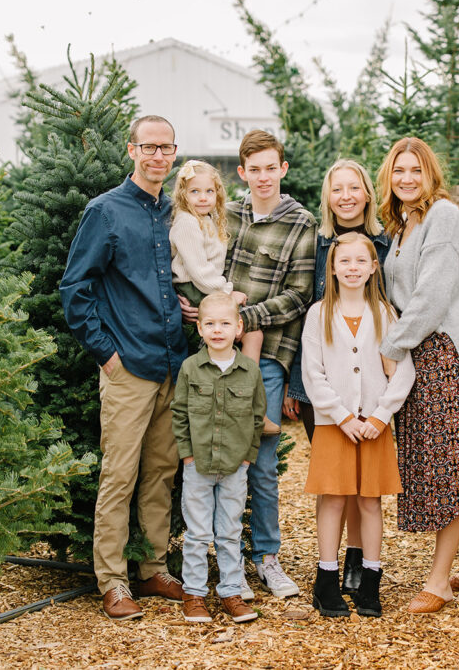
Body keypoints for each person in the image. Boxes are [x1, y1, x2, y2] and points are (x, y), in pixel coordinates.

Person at [60, 114, 187, 621]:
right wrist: (105, 354)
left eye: (166, 148)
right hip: (127, 367)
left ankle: (153, 568)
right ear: (131, 150)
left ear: (174, 153)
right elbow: (75, 288)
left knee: (161, 473)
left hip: (171, 365)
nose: (158, 156)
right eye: (149, 147)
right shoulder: (105, 212)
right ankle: (112, 581)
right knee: (119, 476)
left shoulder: (175, 213)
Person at [181, 129, 316, 599]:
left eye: (270, 168)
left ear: (283, 169)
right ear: (242, 173)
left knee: (258, 458)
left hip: (268, 356)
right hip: (212, 352)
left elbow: (300, 295)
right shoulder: (225, 214)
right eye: (253, 169)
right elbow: (198, 263)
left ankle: (267, 558)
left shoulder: (301, 222)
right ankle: (217, 556)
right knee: (209, 451)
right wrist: (194, 305)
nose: (262, 177)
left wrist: (244, 317)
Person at [376, 137, 459, 614]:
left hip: (444, 356)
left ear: (431, 175)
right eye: (398, 171)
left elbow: (432, 295)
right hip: (420, 355)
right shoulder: (402, 225)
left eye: (415, 170)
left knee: (448, 470)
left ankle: (439, 581)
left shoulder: (443, 216)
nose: (407, 178)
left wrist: (390, 346)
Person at [283, 159, 391, 597]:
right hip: (327, 387)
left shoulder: (385, 244)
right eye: (336, 189)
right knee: (338, 483)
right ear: (327, 197)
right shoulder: (316, 244)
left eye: (354, 187)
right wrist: (296, 383)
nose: (346, 196)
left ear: (366, 192)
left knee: (366, 489)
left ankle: (357, 564)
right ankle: (330, 568)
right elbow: (305, 317)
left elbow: (392, 310)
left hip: (377, 380)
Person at [301, 232, 414, 618]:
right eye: (344, 261)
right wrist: (342, 415)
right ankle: (326, 581)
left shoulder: (384, 314)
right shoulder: (318, 314)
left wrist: (381, 415)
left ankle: (370, 582)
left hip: (374, 426)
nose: (352, 268)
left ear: (373, 267)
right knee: (332, 499)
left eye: (360, 262)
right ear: (332, 267)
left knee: (369, 501)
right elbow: (312, 374)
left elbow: (403, 372)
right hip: (335, 424)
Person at [171, 292, 265, 624]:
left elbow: (257, 417)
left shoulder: (249, 372)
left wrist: (247, 457)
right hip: (197, 466)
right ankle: (194, 595)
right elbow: (179, 413)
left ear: (238, 327)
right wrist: (186, 455)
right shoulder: (190, 368)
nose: (217, 330)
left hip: (234, 467)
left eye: (225, 323)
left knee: (229, 532)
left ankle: (230, 593)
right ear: (199, 329)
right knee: (197, 534)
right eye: (210, 323)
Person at [169, 160, 272, 432]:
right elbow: (200, 272)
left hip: (207, 287)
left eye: (209, 192)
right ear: (182, 194)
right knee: (232, 339)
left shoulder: (209, 220)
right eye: (194, 192)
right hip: (196, 289)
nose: (203, 197)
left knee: (250, 334)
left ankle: (246, 405)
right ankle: (239, 410)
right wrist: (229, 293)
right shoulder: (187, 223)